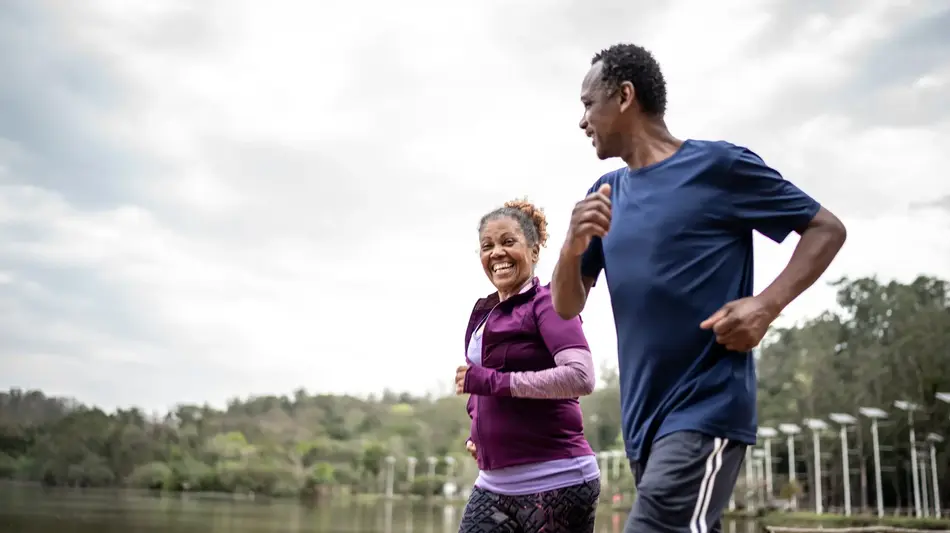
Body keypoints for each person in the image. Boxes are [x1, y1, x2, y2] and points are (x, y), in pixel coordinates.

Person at [551, 44, 847, 533]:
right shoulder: (604, 193)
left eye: (588, 104)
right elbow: (566, 306)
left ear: (624, 96)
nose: (582, 120)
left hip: (707, 407)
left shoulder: (718, 167)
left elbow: (825, 228)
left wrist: (765, 306)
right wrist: (570, 247)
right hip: (644, 420)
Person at [455, 199, 601, 533]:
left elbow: (581, 376)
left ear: (534, 252)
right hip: (493, 484)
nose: (497, 254)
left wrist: (492, 383)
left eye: (509, 243)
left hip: (556, 480)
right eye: (487, 246)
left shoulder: (548, 303)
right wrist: (478, 431)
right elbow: (484, 385)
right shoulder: (486, 314)